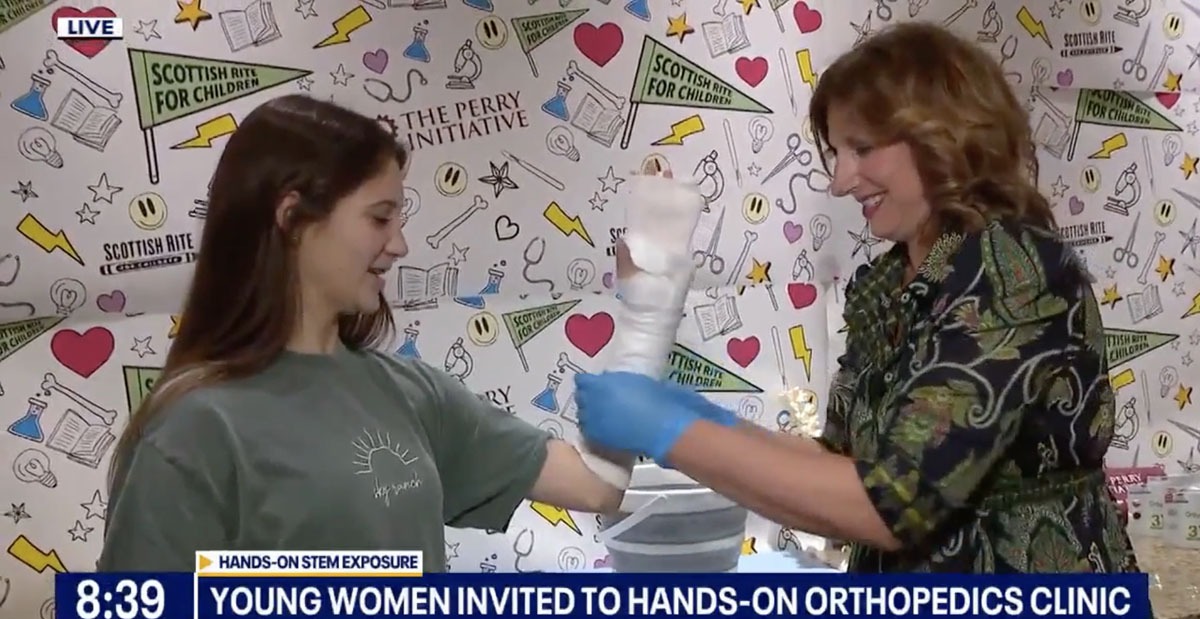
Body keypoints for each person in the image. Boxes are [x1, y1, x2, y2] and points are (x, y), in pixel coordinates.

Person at [571, 22, 1143, 574]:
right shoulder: (888, 284)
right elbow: (844, 471)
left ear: (943, 134)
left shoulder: (1012, 269)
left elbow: (892, 503)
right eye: (838, 153)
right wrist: (701, 420)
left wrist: (672, 431)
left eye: (863, 149)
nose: (840, 181)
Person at [98, 94, 625, 571]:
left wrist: (648, 304)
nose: (400, 246)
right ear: (292, 218)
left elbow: (599, 488)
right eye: (379, 219)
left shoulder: (411, 394)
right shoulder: (193, 431)